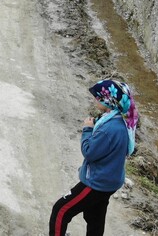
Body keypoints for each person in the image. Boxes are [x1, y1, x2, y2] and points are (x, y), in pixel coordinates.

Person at [49, 79, 139, 236]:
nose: (95, 99)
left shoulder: (109, 129)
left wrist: (87, 130)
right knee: (94, 219)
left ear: (109, 100)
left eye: (98, 97)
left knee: (61, 210)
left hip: (97, 182)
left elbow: (89, 152)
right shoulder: (121, 121)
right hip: (110, 182)